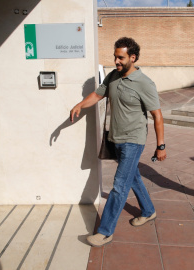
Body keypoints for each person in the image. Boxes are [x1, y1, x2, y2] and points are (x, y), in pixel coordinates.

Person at [70, 37, 167, 247]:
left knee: (119, 186)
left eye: (121, 57)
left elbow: (157, 116)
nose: (116, 61)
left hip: (134, 140)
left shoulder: (145, 83)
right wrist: (80, 104)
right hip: (116, 138)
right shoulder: (113, 76)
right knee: (132, 177)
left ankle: (105, 232)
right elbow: (97, 94)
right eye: (115, 57)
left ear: (133, 57)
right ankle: (149, 211)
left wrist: (161, 146)